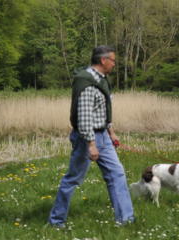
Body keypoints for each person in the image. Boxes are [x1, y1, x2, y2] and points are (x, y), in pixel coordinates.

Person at [48, 45, 135, 228]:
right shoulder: (86, 82)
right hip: (87, 138)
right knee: (73, 178)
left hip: (103, 136)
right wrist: (91, 144)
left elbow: (101, 111)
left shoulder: (101, 80)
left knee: (117, 174)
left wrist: (111, 132)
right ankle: (56, 221)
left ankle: (126, 220)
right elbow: (85, 116)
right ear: (103, 60)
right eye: (113, 60)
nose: (114, 64)